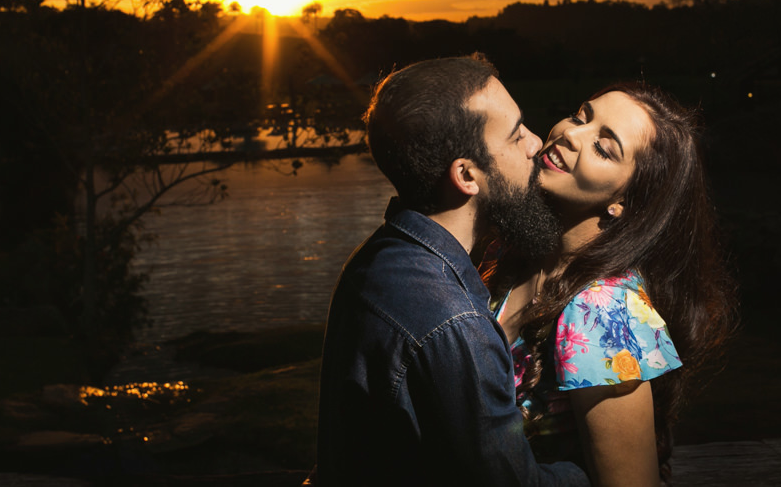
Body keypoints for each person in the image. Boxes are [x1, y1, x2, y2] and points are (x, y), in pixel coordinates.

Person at [315, 55, 588, 486]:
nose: (537, 142)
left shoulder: (375, 258)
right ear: (466, 174)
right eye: (517, 135)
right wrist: (597, 473)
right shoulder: (454, 324)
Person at [479, 83, 736, 486]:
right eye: (581, 116)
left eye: (604, 148)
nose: (569, 133)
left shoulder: (603, 313)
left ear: (625, 201)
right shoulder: (511, 253)